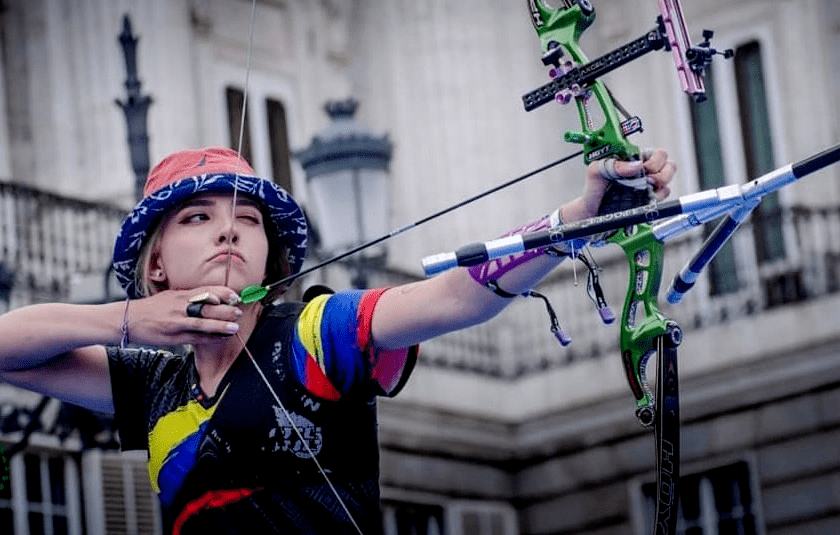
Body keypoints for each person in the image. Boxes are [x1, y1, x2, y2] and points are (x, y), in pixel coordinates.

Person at [0, 145, 675, 534]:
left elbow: (449, 297)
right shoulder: (152, 387)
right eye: (198, 218)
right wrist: (127, 323)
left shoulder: (310, 333)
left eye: (248, 220)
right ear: (156, 263)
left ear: (271, 253)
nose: (229, 231)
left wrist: (575, 220)